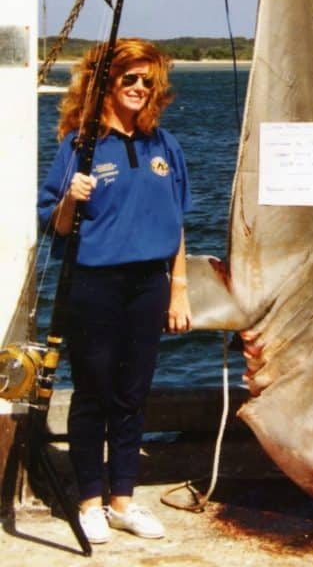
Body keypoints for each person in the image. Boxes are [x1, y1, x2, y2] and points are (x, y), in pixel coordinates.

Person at [38, 38, 193, 545]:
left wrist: (179, 292)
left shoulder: (163, 146)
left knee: (133, 394)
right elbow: (57, 226)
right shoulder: (79, 145)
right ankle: (88, 501)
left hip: (150, 284)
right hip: (93, 284)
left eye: (149, 81)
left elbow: (177, 222)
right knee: (95, 394)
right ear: (106, 82)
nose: (140, 89)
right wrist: (69, 199)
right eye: (131, 78)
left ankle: (123, 499)